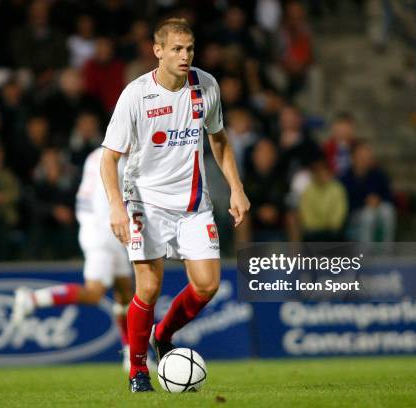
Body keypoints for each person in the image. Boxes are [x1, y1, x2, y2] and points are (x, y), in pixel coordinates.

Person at [100, 18, 250, 392]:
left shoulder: (206, 85)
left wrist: (236, 188)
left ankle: (162, 334)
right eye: (177, 49)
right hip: (144, 202)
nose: (185, 56)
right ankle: (138, 371)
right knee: (148, 288)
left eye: (190, 49)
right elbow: (109, 158)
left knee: (207, 285)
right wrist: (117, 207)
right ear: (158, 51)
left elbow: (219, 141)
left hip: (193, 203)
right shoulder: (136, 95)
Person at [12, 147, 150, 371]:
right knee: (95, 292)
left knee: (125, 292)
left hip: (102, 228)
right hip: (103, 232)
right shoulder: (118, 161)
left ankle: (130, 356)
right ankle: (32, 299)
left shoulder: (97, 154)